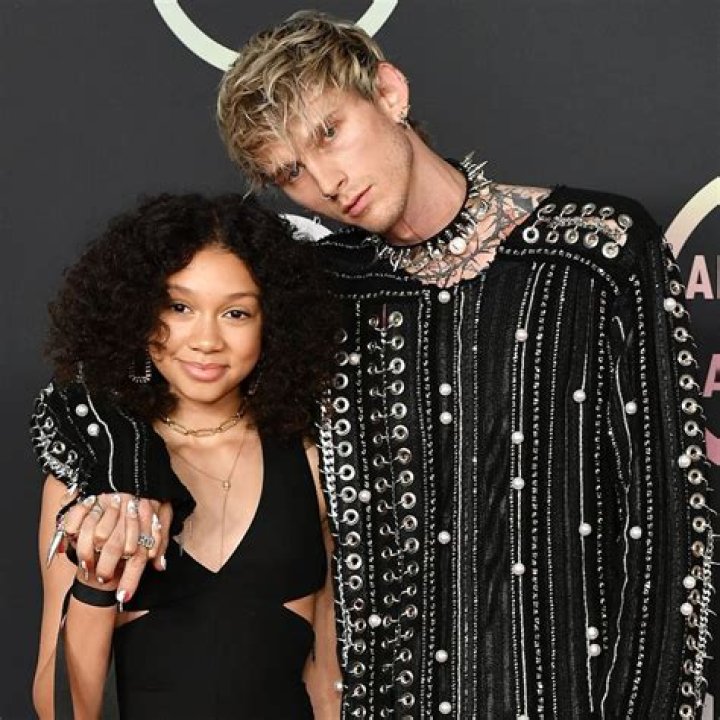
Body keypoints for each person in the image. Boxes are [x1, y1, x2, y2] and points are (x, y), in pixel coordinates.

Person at [35, 11, 713, 719]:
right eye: (290, 171)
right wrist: (127, 475)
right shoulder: (319, 293)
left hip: (568, 695)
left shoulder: (595, 254)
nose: (326, 181)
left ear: (389, 92)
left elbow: (674, 530)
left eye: (329, 132)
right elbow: (108, 376)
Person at [32, 194, 342, 719]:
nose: (206, 340)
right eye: (180, 307)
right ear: (137, 311)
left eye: (236, 313)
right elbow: (60, 710)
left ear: (274, 324)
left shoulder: (313, 461)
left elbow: (329, 680)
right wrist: (95, 582)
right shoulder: (89, 480)